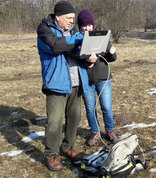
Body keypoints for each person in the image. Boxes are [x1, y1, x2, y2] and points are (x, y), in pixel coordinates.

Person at [36, 1, 97, 171]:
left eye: (73, 18)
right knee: (54, 122)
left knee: (75, 118)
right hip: (56, 84)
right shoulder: (44, 30)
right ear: (58, 17)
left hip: (75, 83)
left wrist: (88, 58)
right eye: (69, 18)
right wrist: (80, 38)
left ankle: (68, 147)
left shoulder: (73, 32)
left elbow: (76, 52)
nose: (72, 21)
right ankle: (51, 154)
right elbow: (57, 46)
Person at [77, 9, 117, 146]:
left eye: (89, 25)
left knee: (106, 106)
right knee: (90, 107)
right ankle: (94, 131)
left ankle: (110, 130)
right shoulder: (76, 39)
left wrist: (112, 53)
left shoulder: (102, 37)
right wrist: (87, 62)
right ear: (80, 26)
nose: (87, 28)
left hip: (103, 78)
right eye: (84, 25)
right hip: (86, 80)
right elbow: (76, 58)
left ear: (93, 25)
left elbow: (112, 58)